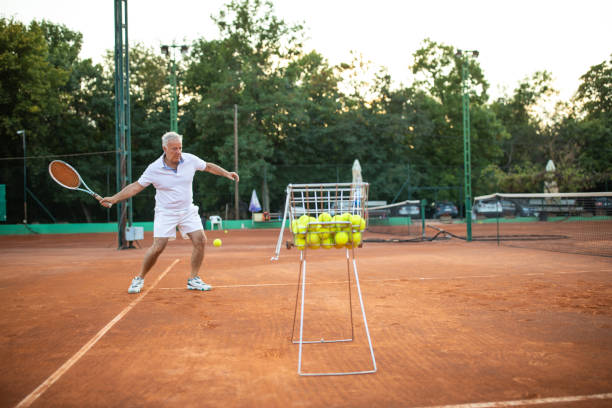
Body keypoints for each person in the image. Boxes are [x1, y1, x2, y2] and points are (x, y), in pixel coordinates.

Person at [99, 131, 239, 294]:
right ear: (164, 148)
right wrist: (114, 198)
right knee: (158, 247)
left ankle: (193, 279)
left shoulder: (190, 160)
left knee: (200, 240)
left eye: (180, 148)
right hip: (165, 212)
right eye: (174, 149)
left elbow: (208, 166)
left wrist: (226, 173)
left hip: (187, 210)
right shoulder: (154, 168)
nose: (178, 152)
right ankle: (140, 278)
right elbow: (137, 186)